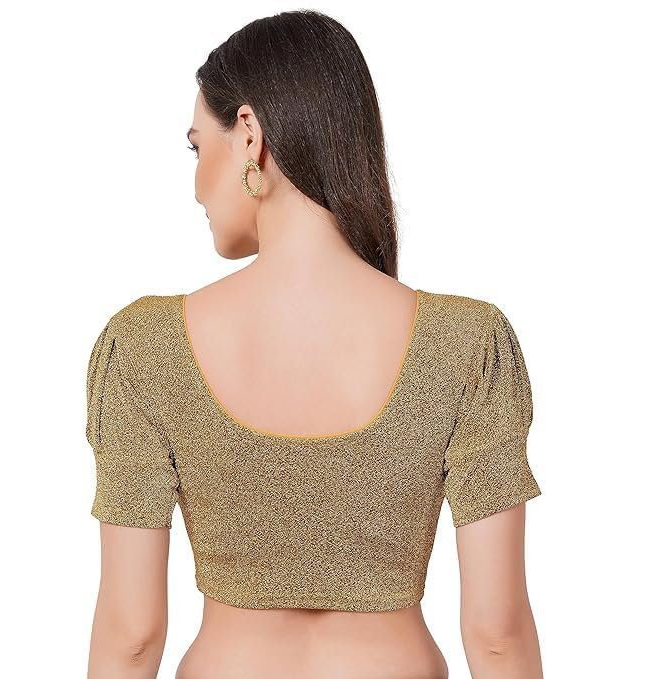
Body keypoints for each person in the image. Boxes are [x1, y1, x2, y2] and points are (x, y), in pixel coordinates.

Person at [84, 10, 543, 679]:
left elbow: (131, 635)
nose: (195, 184)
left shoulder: (144, 347)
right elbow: (497, 634)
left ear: (249, 135)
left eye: (195, 148)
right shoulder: (467, 344)